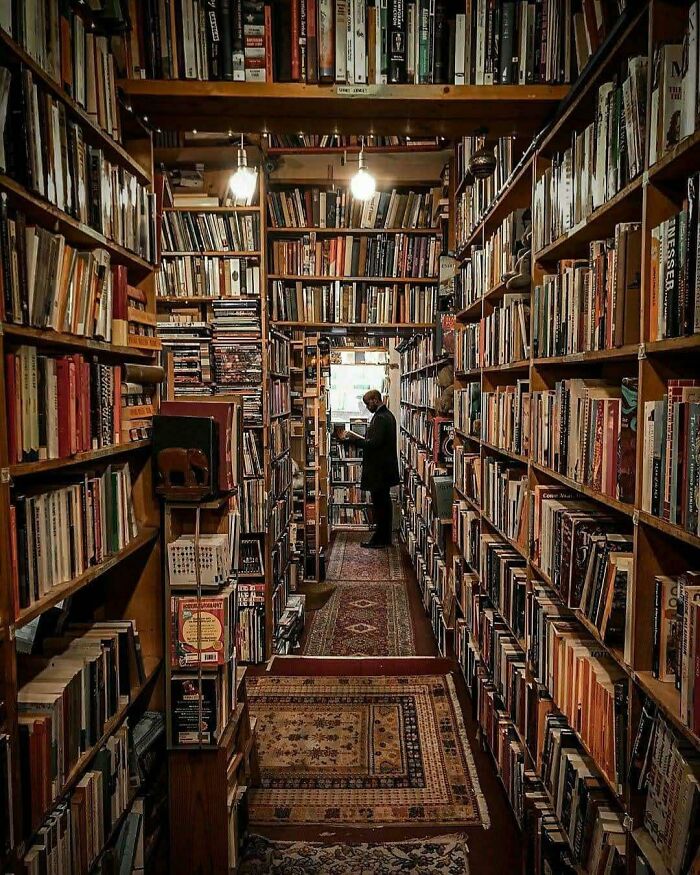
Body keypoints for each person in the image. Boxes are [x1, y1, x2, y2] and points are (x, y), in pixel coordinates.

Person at [340, 389, 399, 548]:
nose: (367, 407)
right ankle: (383, 538)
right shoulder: (388, 416)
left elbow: (373, 444)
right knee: (383, 504)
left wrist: (353, 440)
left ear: (375, 399)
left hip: (379, 470)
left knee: (380, 506)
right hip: (384, 469)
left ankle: (380, 539)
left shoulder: (381, 418)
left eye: (368, 403)